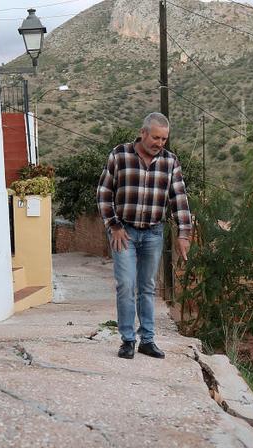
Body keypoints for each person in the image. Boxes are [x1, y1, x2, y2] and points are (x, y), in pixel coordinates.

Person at [97, 113, 192, 360]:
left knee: (147, 287)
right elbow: (104, 191)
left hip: (153, 232)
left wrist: (184, 234)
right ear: (143, 132)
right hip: (123, 232)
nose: (159, 143)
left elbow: (179, 199)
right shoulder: (120, 155)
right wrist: (113, 225)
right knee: (126, 285)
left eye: (164, 139)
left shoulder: (170, 162)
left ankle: (147, 340)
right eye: (156, 137)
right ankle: (128, 340)